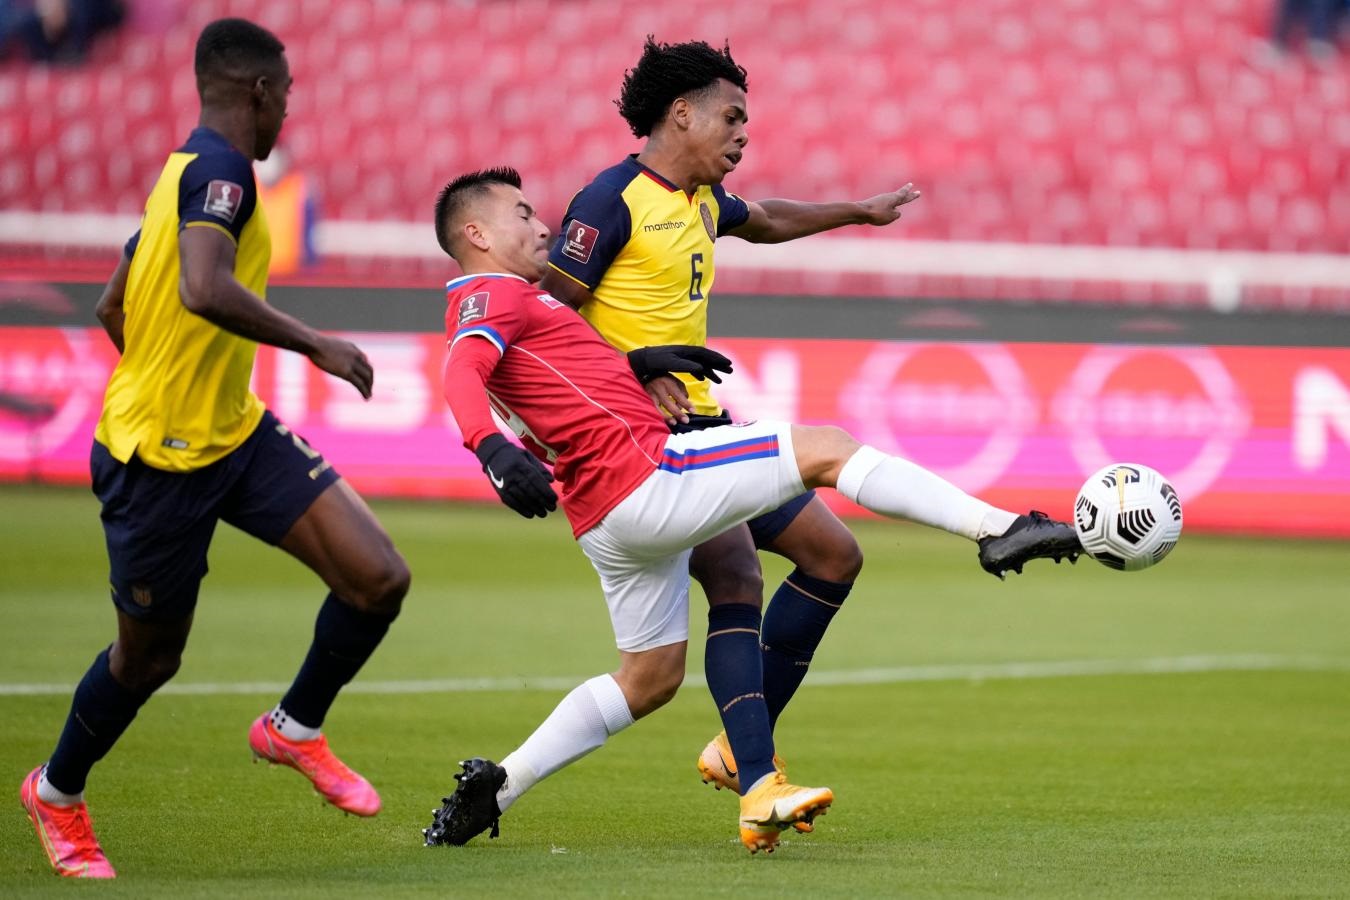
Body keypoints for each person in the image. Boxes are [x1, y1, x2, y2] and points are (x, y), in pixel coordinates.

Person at [425, 168, 1079, 854]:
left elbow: (554, 381)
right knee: (827, 448)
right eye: (522, 214)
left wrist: (637, 363)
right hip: (646, 475)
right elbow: (461, 369)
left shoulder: (520, 301)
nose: (542, 227)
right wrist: (490, 450)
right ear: (477, 233)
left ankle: (499, 787)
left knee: (648, 679)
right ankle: (998, 529)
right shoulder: (492, 295)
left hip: (605, 519)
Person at [19, 18, 410, 879]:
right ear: (259, 92)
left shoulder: (182, 173)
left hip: (232, 429)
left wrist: (179, 377)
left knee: (377, 577)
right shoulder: (222, 173)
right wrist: (315, 344)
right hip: (156, 460)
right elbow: (201, 288)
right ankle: (55, 791)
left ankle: (294, 728)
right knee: (148, 659)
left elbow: (114, 305)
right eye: (286, 96)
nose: (288, 113)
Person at [537, 37, 921, 807]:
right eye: (733, 117)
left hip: (709, 423)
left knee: (833, 557)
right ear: (682, 113)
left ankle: (738, 750)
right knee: (736, 575)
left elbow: (767, 218)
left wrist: (858, 211)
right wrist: (632, 369)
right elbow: (545, 322)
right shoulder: (610, 200)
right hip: (646, 438)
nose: (744, 133)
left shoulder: (703, 200)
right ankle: (757, 778)